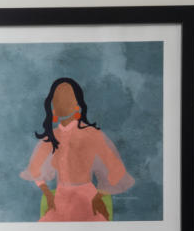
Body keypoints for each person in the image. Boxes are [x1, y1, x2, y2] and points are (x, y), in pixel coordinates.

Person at [21, 77, 133, 222]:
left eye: (67, 98)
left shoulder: (92, 134)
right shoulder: (51, 137)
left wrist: (99, 196)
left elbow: (116, 169)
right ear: (53, 103)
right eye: (58, 98)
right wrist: (47, 193)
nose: (62, 102)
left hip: (87, 201)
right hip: (59, 202)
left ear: (76, 103)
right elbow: (34, 169)